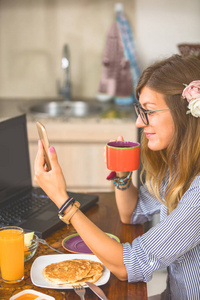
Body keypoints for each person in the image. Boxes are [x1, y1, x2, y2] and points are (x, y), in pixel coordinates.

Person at [34, 54, 200, 300]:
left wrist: (63, 200)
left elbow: (128, 266)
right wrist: (122, 176)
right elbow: (131, 213)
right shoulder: (179, 164)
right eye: (140, 110)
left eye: (149, 111)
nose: (139, 122)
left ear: (184, 112)